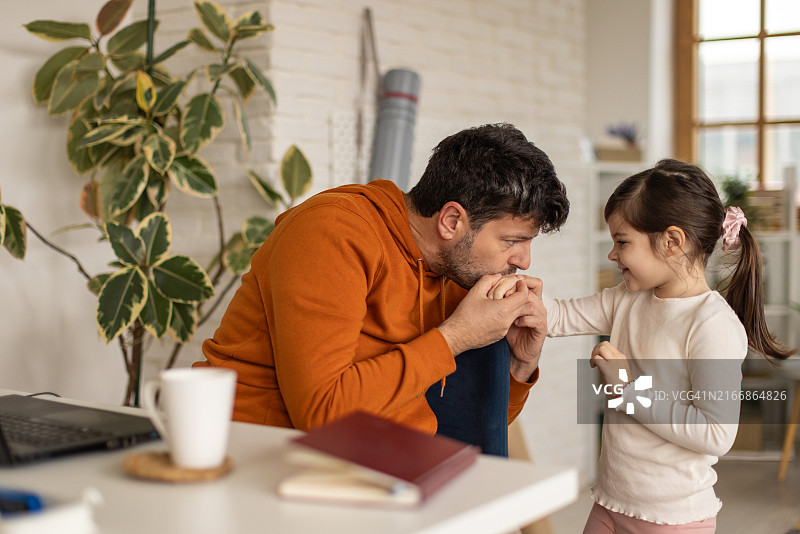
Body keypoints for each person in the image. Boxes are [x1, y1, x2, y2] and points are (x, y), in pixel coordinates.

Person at [195, 123, 570, 436]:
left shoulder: (455, 270)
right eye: (512, 241)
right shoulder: (331, 233)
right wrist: (455, 337)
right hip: (262, 456)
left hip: (380, 461)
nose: (524, 261)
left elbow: (472, 424)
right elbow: (322, 414)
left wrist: (519, 364)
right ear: (452, 221)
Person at [490, 159, 795, 533]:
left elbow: (716, 434)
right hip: (610, 502)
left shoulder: (711, 324)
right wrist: (522, 296)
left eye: (622, 242)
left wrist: (627, 389)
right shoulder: (628, 298)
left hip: (673, 519)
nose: (612, 254)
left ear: (671, 242)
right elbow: (559, 317)